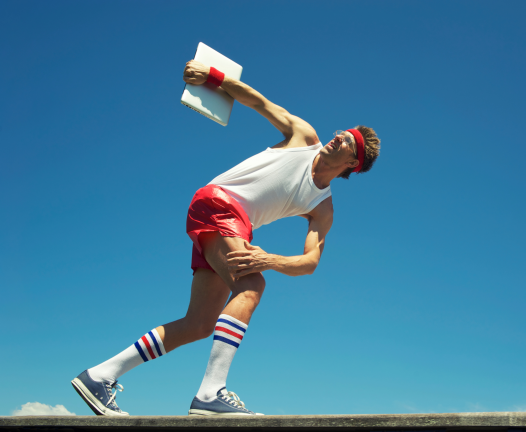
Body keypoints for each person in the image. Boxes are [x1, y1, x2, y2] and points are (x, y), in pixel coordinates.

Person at [71, 59, 381, 416]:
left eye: (349, 141)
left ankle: (100, 376)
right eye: (343, 131)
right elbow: (258, 101)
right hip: (219, 203)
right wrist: (213, 77)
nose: (339, 135)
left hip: (232, 225)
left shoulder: (322, 207)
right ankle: (210, 394)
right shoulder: (304, 137)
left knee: (199, 324)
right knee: (252, 285)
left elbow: (310, 262)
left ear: (352, 163)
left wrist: (271, 259)